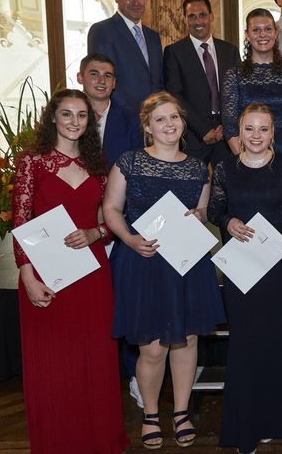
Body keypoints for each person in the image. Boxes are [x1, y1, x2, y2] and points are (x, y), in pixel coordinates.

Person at [104, 91, 225, 449]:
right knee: (153, 348)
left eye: (174, 117)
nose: (169, 124)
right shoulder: (129, 162)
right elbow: (111, 209)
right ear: (147, 126)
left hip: (186, 263)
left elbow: (202, 211)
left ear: (182, 122)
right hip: (144, 261)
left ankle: (182, 413)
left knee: (187, 341)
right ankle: (151, 414)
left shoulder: (198, 167)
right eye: (160, 119)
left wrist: (199, 215)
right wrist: (129, 239)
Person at [12, 88, 129, 454]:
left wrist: (95, 233)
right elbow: (20, 221)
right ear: (53, 117)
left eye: (82, 115)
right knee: (54, 365)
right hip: (47, 275)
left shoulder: (99, 166)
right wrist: (27, 277)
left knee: (96, 359)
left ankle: (99, 440)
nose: (75, 121)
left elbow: (111, 222)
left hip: (93, 274)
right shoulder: (32, 162)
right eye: (67, 114)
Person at [209, 103, 282, 454]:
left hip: (276, 265)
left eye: (264, 129)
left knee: (276, 340)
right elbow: (215, 209)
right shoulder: (224, 168)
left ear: (273, 133)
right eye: (250, 128)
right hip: (240, 266)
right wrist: (228, 222)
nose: (257, 135)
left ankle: (275, 422)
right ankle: (245, 426)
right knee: (245, 343)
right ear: (239, 132)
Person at [222, 8, 282, 161]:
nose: (262, 34)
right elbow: (230, 126)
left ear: (276, 33)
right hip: (248, 156)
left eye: (268, 29)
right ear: (247, 35)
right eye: (256, 30)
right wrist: (245, 162)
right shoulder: (233, 75)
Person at [164, 0, 240, 166]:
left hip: (227, 136)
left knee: (227, 181)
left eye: (203, 15)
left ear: (211, 16)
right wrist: (203, 129)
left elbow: (238, 93)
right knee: (192, 182)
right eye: (192, 16)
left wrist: (226, 125)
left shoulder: (230, 51)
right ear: (185, 19)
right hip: (193, 136)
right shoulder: (174, 52)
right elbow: (174, 95)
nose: (198, 21)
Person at [87, 0, 163, 118]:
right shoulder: (102, 31)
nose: (136, 2)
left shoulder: (153, 37)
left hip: (154, 119)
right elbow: (102, 81)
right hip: (120, 118)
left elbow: (158, 81)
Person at [77, 53, 143, 167]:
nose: (102, 81)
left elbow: (137, 166)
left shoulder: (132, 121)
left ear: (114, 83)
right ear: (80, 78)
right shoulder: (67, 118)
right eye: (94, 74)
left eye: (107, 76)